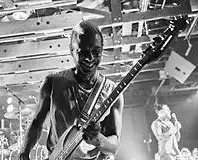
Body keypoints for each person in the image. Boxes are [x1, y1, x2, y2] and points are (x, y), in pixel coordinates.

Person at [19, 20, 124, 160]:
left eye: (96, 51)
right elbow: (37, 123)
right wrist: (23, 154)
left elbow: (113, 147)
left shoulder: (112, 90)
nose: (90, 58)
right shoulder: (52, 82)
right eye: (83, 52)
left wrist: (98, 139)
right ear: (71, 50)